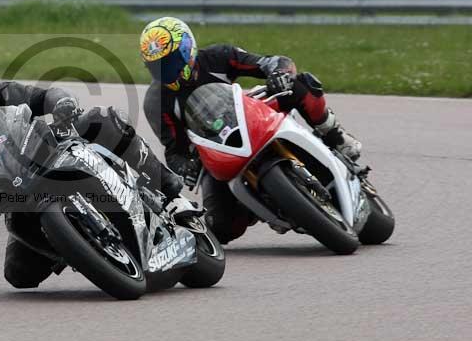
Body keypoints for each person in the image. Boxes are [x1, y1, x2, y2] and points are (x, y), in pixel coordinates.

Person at [0, 58, 184, 289]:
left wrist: (63, 104)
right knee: (18, 275)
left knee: (101, 119)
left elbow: (47, 96)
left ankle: (164, 180)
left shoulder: (6, 94)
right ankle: (77, 244)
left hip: (53, 153)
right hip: (22, 200)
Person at [139, 16, 362, 244]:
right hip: (215, 150)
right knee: (220, 228)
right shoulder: (156, 102)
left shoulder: (217, 57)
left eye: (170, 61)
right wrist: (185, 167)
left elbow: (272, 62)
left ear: (187, 49)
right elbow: (174, 149)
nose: (166, 71)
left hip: (250, 115)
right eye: (157, 67)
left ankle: (336, 137)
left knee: (301, 85)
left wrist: (280, 74)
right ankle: (255, 204)